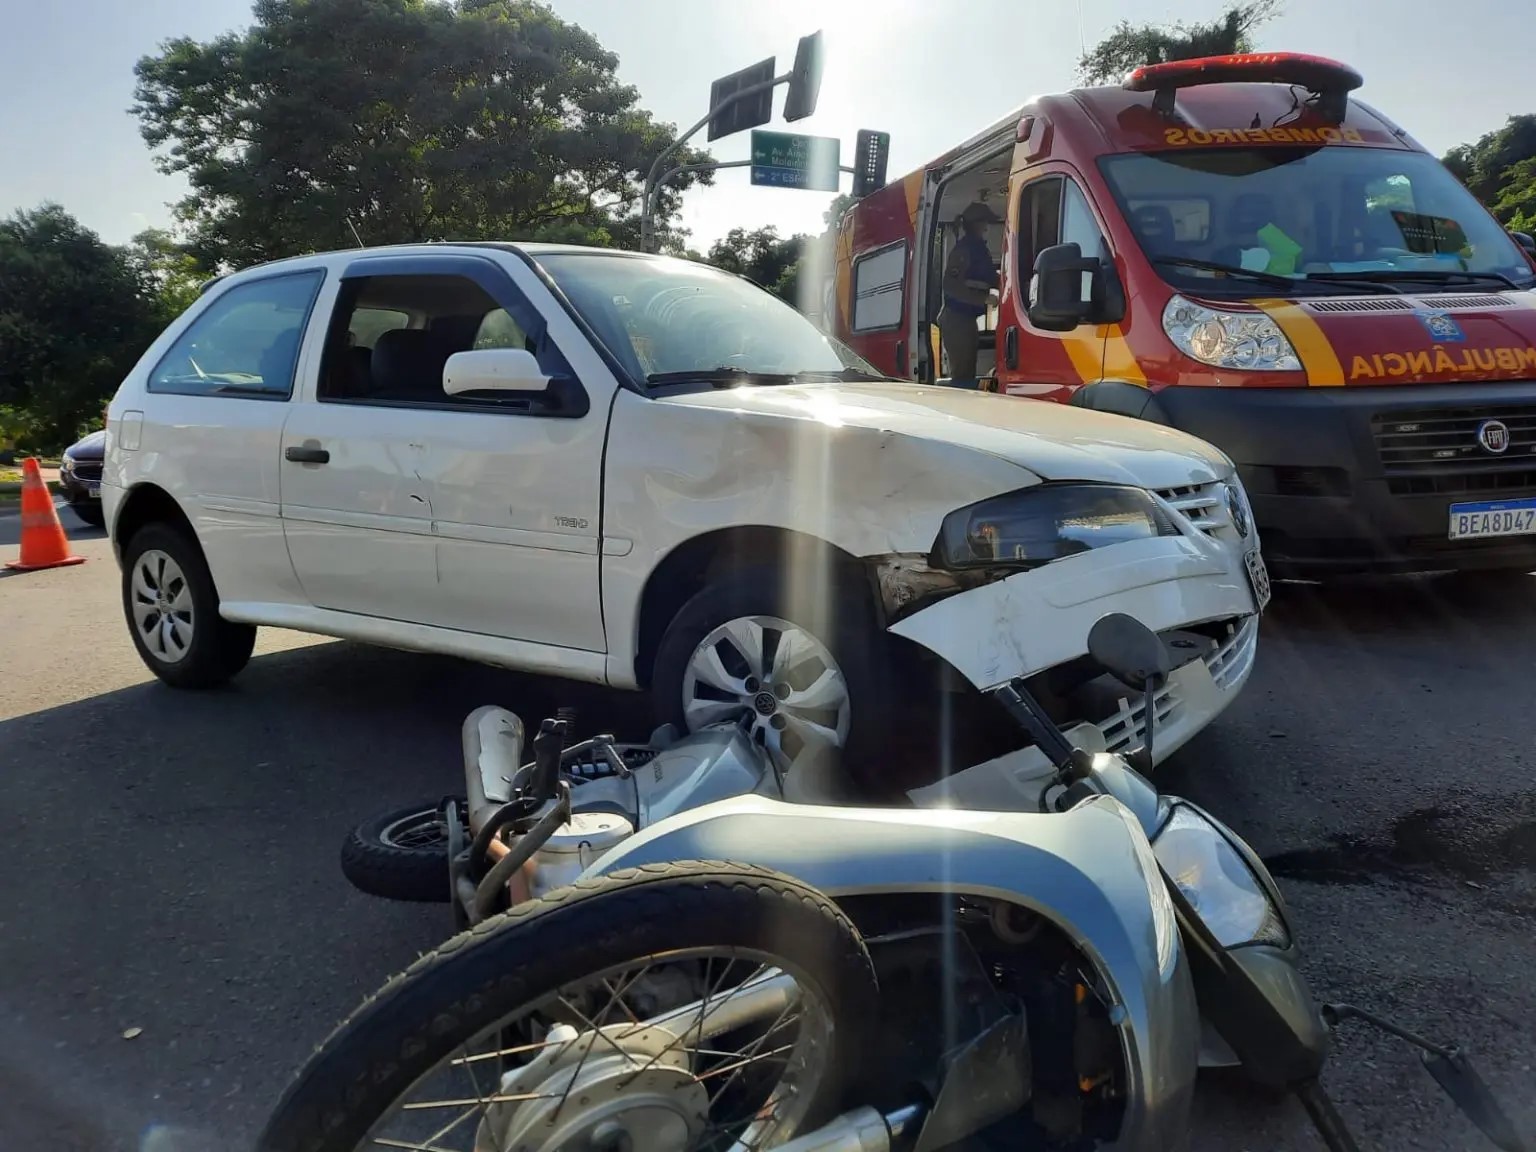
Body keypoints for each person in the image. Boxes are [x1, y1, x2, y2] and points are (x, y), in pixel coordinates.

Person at [936, 201, 1000, 388]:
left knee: (968, 372)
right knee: (963, 376)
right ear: (976, 223)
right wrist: (983, 299)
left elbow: (990, 277)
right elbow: (950, 285)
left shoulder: (979, 249)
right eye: (984, 222)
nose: (987, 226)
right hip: (957, 320)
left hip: (966, 320)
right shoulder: (964, 250)